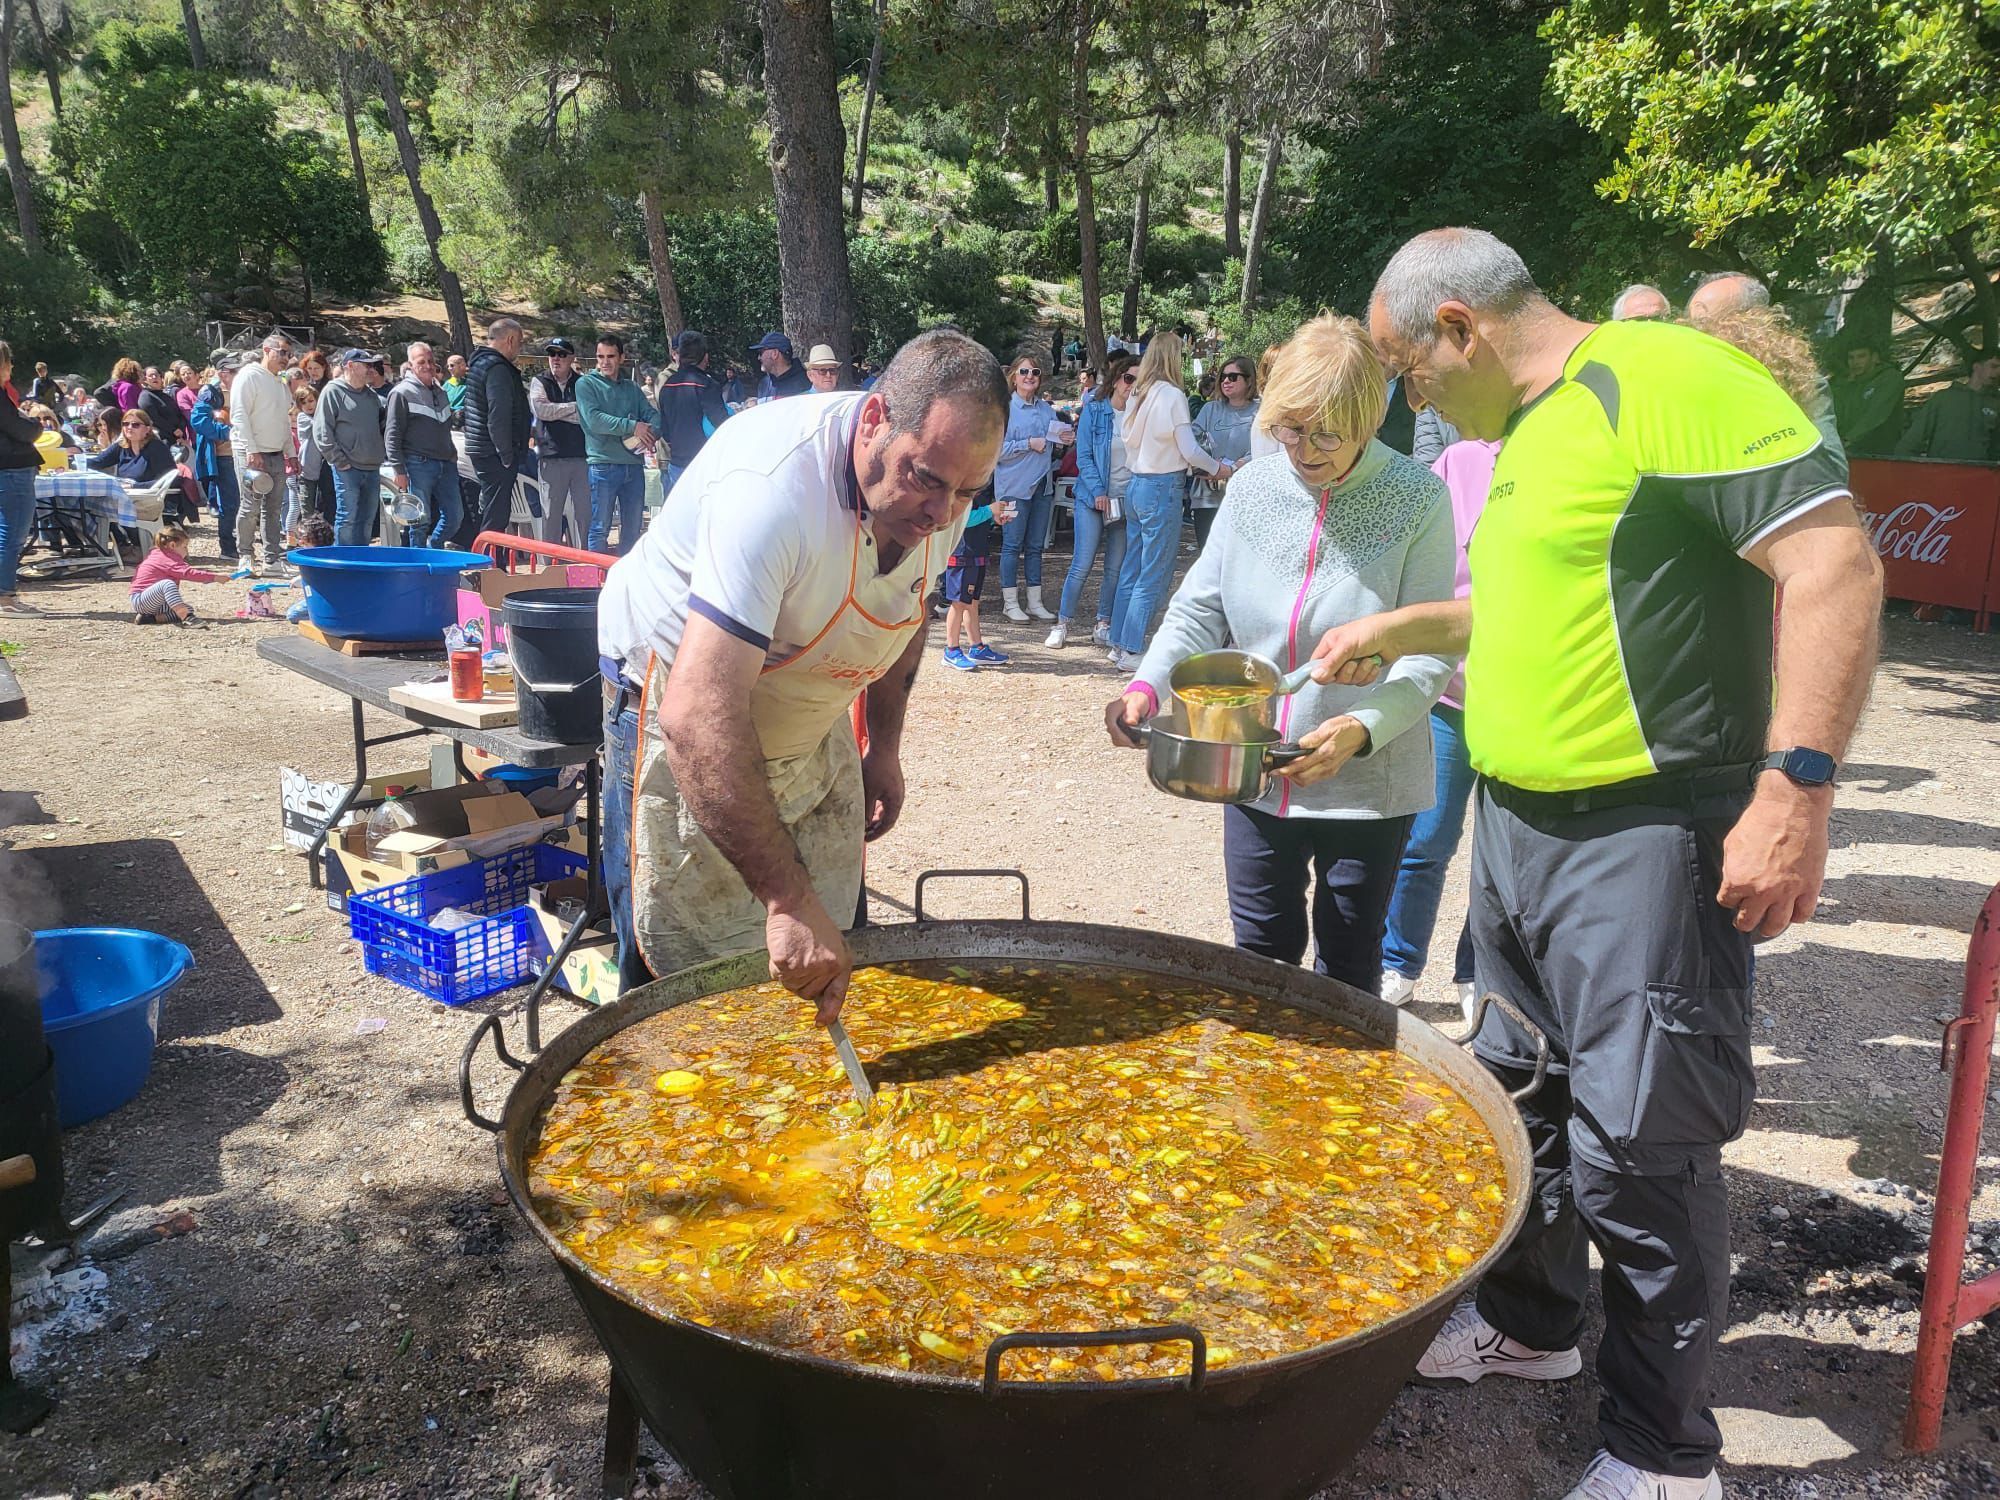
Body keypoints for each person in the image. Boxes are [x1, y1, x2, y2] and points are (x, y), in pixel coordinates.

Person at [1335, 226, 1881, 1500]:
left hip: (1643, 833)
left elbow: (1833, 560)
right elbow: (1554, 595)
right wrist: (1406, 623)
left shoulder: (1657, 378)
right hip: (1521, 833)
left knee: (1642, 1139)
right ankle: (1533, 1331)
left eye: (1407, 370)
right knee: (1517, 1092)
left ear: (1459, 326)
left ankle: (1659, 1455)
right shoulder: (1528, 435)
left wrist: (1794, 790)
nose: (1411, 400)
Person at [596, 328, 1007, 1005]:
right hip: (676, 694)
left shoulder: (943, 487)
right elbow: (697, 717)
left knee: (831, 945)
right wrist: (786, 898)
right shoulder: (773, 487)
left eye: (967, 492)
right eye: (928, 481)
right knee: (685, 968)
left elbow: (907, 609)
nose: (942, 514)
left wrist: (885, 749)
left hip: (806, 700)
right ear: (875, 420)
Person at [1103, 313, 1455, 994]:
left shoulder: (1420, 500)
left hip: (1368, 780)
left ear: (1370, 419)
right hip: (1251, 762)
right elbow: (1200, 605)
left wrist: (1362, 728)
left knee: (1349, 967)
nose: (1307, 450)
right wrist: (1146, 686)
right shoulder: (1253, 488)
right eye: (1291, 429)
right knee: (1259, 955)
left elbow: (1427, 653)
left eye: (1329, 434)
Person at [1377, 434, 1497, 1015]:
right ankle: (1397, 963)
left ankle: (1481, 973)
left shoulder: (1568, 453)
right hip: (1453, 697)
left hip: (1525, 704)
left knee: (1502, 859)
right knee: (1426, 841)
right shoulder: (1460, 461)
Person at [1106, 330, 1229, 671]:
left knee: (1132, 566)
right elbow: (1189, 448)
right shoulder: (1173, 395)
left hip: (1136, 483)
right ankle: (1132, 648)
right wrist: (1219, 468)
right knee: (1153, 570)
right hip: (1163, 486)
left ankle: (1118, 642)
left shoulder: (1138, 393)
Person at [1047, 353, 1137, 650]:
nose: (1132, 385)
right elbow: (1084, 456)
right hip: (1091, 497)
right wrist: (1099, 491)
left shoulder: (1142, 413)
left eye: (1139, 380)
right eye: (1128, 378)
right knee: (1082, 563)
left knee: (1115, 567)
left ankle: (1103, 623)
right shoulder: (1095, 409)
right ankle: (1062, 623)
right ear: (1116, 378)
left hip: (1125, 499)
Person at [993, 351, 1065, 624]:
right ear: (1013, 376)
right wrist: (1027, 444)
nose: (1029, 377)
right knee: (1012, 545)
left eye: (1034, 372)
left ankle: (1035, 602)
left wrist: (1062, 440)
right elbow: (996, 450)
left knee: (1035, 546)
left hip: (1042, 487)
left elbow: (1053, 443)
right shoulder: (1005, 409)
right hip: (1014, 487)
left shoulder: (1047, 410)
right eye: (1024, 372)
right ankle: (1010, 603)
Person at [576, 332, 659, 556]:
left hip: (633, 465)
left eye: (610, 356)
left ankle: (627, 583)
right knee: (600, 528)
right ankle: (595, 584)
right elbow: (594, 420)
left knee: (633, 528)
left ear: (622, 357)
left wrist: (652, 433)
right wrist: (633, 427)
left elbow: (652, 415)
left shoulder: (632, 388)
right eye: (600, 356)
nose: (605, 362)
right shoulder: (585, 384)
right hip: (602, 465)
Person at [233, 333, 299, 575]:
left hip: (275, 452)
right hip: (250, 451)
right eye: (281, 352)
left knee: (273, 508)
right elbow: (239, 414)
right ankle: (245, 556)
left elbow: (284, 420)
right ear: (266, 349)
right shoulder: (249, 376)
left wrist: (290, 453)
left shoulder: (280, 382)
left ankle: (271, 559)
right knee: (250, 505)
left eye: (289, 354)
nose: (285, 358)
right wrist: (251, 449)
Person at [462, 318, 532, 545]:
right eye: (520, 343)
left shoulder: (480, 364)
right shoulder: (498, 368)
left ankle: (489, 563)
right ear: (510, 340)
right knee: (496, 516)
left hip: (482, 448)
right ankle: (489, 567)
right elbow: (498, 415)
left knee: (492, 511)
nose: (519, 349)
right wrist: (506, 454)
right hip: (494, 452)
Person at [385, 342, 460, 547]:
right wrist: (399, 470)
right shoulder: (401, 393)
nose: (427, 365)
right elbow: (392, 434)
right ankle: (417, 565)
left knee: (455, 517)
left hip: (446, 463)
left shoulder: (441, 391)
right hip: (417, 463)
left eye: (430, 361)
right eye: (421, 362)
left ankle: (432, 549)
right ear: (410, 365)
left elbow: (445, 427)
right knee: (419, 521)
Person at [1188, 353, 1260, 551]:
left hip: (1245, 499)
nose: (1226, 381)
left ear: (1248, 380)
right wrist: (1208, 465)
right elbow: (1191, 442)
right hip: (1207, 498)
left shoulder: (1261, 412)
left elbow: (1264, 452)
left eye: (1233, 377)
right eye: (1223, 377)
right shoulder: (1209, 409)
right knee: (1209, 559)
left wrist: (1232, 468)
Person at [940, 487, 1013, 670]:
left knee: (972, 602)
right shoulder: (959, 490)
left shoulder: (979, 490)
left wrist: (993, 518)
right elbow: (963, 519)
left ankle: (976, 647)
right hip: (961, 555)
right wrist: (990, 510)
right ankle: (951, 650)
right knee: (958, 603)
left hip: (977, 553)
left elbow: (977, 518)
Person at [529, 338, 589, 546]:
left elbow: (586, 416)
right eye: (552, 354)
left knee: (584, 514)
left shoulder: (583, 383)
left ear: (572, 358)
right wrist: (573, 406)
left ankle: (586, 562)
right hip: (550, 458)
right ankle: (548, 564)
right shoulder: (539, 381)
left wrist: (555, 411)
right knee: (550, 515)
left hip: (582, 457)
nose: (556, 358)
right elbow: (541, 411)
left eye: (562, 354)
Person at [656, 329, 731, 490]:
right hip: (704, 465)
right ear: (705, 357)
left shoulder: (666, 386)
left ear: (679, 356)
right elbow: (722, 425)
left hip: (676, 464)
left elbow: (665, 430)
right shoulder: (707, 385)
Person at [0, 340, 42, 616]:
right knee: (12, 534)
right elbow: (22, 430)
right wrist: (36, 422)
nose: (12, 366)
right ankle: (5, 597)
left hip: (10, 469)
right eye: (9, 361)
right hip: (12, 469)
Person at [1896, 356, 1999, 464]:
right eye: (1994, 366)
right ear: (1977, 367)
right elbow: (1913, 439)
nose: (1998, 372)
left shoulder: (1995, 404)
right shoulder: (1944, 398)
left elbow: (1996, 448)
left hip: (1978, 474)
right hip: (1941, 471)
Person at [189, 362, 240, 560]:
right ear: (222, 373)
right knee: (230, 503)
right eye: (232, 371)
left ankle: (247, 546)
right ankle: (228, 548)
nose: (236, 374)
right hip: (223, 455)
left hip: (249, 452)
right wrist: (229, 433)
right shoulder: (209, 392)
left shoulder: (248, 388)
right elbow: (199, 420)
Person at [129, 523, 222, 625]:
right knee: (167, 584)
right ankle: (187, 618)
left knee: (187, 608)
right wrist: (215, 577)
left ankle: (151, 619)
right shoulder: (165, 558)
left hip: (153, 601)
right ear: (172, 545)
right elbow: (189, 573)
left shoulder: (160, 554)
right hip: (141, 600)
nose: (187, 551)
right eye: (185, 547)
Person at [1830, 342, 1904, 455]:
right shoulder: (1847, 383)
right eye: (1851, 358)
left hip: (1879, 450)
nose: (1855, 362)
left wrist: (1848, 440)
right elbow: (1836, 410)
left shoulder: (1889, 378)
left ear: (1875, 358)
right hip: (1847, 449)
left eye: (1861, 356)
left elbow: (1877, 413)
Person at [87, 407, 176, 483]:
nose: (129, 428)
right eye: (125, 424)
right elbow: (97, 462)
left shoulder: (157, 448)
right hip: (124, 495)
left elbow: (171, 480)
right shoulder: (122, 446)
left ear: (147, 429)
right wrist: (74, 459)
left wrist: (135, 486)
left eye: (135, 425)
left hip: (148, 499)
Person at [289, 381, 323, 533]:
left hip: (321, 471)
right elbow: (318, 426)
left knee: (321, 509)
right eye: (304, 402)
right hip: (307, 471)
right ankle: (298, 536)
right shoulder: (303, 418)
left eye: (311, 401)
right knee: (306, 510)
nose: (309, 405)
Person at [750, 331, 811, 401]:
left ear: (775, 354)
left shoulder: (805, 383)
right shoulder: (764, 384)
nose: (759, 358)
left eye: (761, 353)